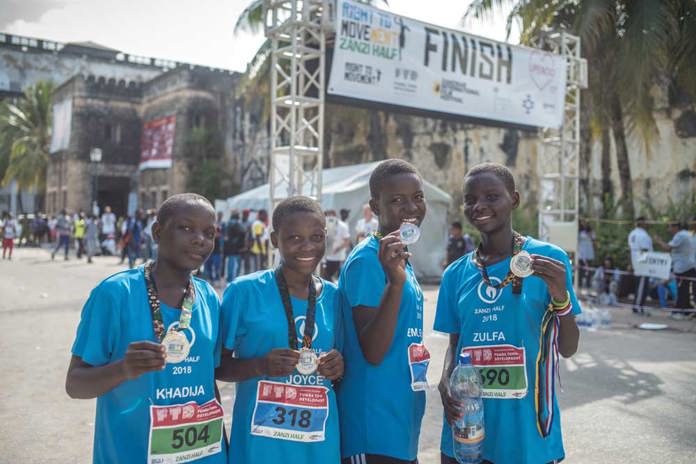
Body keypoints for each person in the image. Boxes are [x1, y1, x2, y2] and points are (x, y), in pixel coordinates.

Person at [65, 193, 227, 463]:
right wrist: (123, 369)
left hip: (204, 455)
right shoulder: (115, 294)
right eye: (186, 228)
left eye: (208, 232)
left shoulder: (209, 297)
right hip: (131, 452)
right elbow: (75, 384)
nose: (200, 239)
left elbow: (208, 382)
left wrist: (225, 448)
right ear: (157, 232)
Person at [436, 162, 580, 464]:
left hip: (525, 432)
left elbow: (568, 348)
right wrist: (446, 377)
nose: (479, 206)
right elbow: (455, 343)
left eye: (491, 196)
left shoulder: (548, 260)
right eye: (470, 199)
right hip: (468, 427)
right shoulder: (455, 274)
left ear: (513, 199)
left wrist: (560, 296)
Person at [216, 196, 344, 463]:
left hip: (317, 446)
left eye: (316, 237)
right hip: (260, 446)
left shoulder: (335, 296)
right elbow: (216, 367)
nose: (307, 246)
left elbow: (347, 366)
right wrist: (260, 365)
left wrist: (338, 367)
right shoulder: (244, 291)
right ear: (275, 240)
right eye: (295, 238)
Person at [337, 159, 429, 464]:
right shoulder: (367, 261)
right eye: (397, 200)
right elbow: (373, 351)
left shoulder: (398, 258)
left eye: (417, 197)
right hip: (372, 428)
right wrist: (396, 283)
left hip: (400, 423)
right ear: (375, 207)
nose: (411, 208)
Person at [655, 222, 696, 317]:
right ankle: (687, 311)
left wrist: (659, 241)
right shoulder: (689, 234)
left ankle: (678, 311)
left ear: (676, 227)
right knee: (686, 289)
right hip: (690, 265)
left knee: (681, 289)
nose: (668, 230)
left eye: (669, 227)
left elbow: (668, 247)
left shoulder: (680, 235)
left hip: (683, 267)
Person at [628, 216, 653, 314]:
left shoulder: (632, 233)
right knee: (642, 286)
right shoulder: (644, 235)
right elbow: (645, 251)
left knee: (640, 285)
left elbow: (630, 249)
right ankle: (638, 306)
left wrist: (630, 263)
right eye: (646, 222)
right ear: (642, 223)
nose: (648, 223)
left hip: (636, 262)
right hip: (643, 264)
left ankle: (638, 305)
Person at [323, 210, 351, 282]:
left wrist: (338, 249)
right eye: (327, 217)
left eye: (330, 217)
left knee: (332, 277)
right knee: (327, 276)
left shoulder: (342, 226)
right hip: (329, 256)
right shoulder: (328, 225)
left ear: (335, 216)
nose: (329, 219)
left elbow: (347, 241)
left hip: (339, 257)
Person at [224, 210, 247, 283]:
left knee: (230, 265)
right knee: (235, 266)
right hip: (236, 248)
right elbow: (243, 231)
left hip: (229, 247)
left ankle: (229, 279)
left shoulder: (228, 223)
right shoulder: (235, 223)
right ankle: (233, 281)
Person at [205, 212, 224, 284]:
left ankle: (216, 279)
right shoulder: (207, 225)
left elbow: (219, 235)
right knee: (208, 265)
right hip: (209, 250)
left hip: (217, 250)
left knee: (217, 266)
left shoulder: (219, 225)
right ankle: (210, 278)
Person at [577, 220, 595, 288]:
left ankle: (588, 284)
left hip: (589, 252)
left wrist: (589, 232)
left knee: (589, 269)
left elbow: (593, 238)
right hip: (581, 253)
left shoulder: (590, 231)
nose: (584, 224)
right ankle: (579, 284)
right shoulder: (579, 231)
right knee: (580, 269)